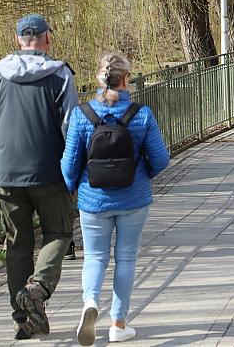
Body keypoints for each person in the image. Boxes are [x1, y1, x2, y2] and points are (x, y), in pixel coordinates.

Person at [0, 14, 78, 340]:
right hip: (50, 173)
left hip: (5, 174)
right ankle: (39, 287)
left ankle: (22, 320)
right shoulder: (60, 75)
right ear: (47, 38)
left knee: (17, 245)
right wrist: (74, 171)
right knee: (59, 232)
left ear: (18, 40)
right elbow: (70, 127)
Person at [61, 53, 170, 345]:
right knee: (125, 259)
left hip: (93, 200)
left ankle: (90, 302)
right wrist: (140, 175)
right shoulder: (141, 114)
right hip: (133, 200)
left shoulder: (82, 115)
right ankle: (119, 324)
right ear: (126, 79)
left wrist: (76, 187)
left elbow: (69, 164)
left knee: (95, 257)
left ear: (99, 79)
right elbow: (161, 159)